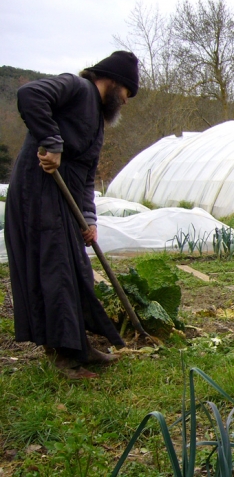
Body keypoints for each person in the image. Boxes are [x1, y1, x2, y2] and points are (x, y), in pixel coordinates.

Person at [5, 51, 140, 379]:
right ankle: (65, 357)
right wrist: (52, 143)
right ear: (113, 81)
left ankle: (78, 346)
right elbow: (30, 94)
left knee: (76, 271)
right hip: (37, 193)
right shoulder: (78, 88)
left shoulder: (97, 122)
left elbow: (85, 176)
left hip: (62, 202)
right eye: (126, 93)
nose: (125, 100)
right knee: (56, 272)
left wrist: (89, 220)